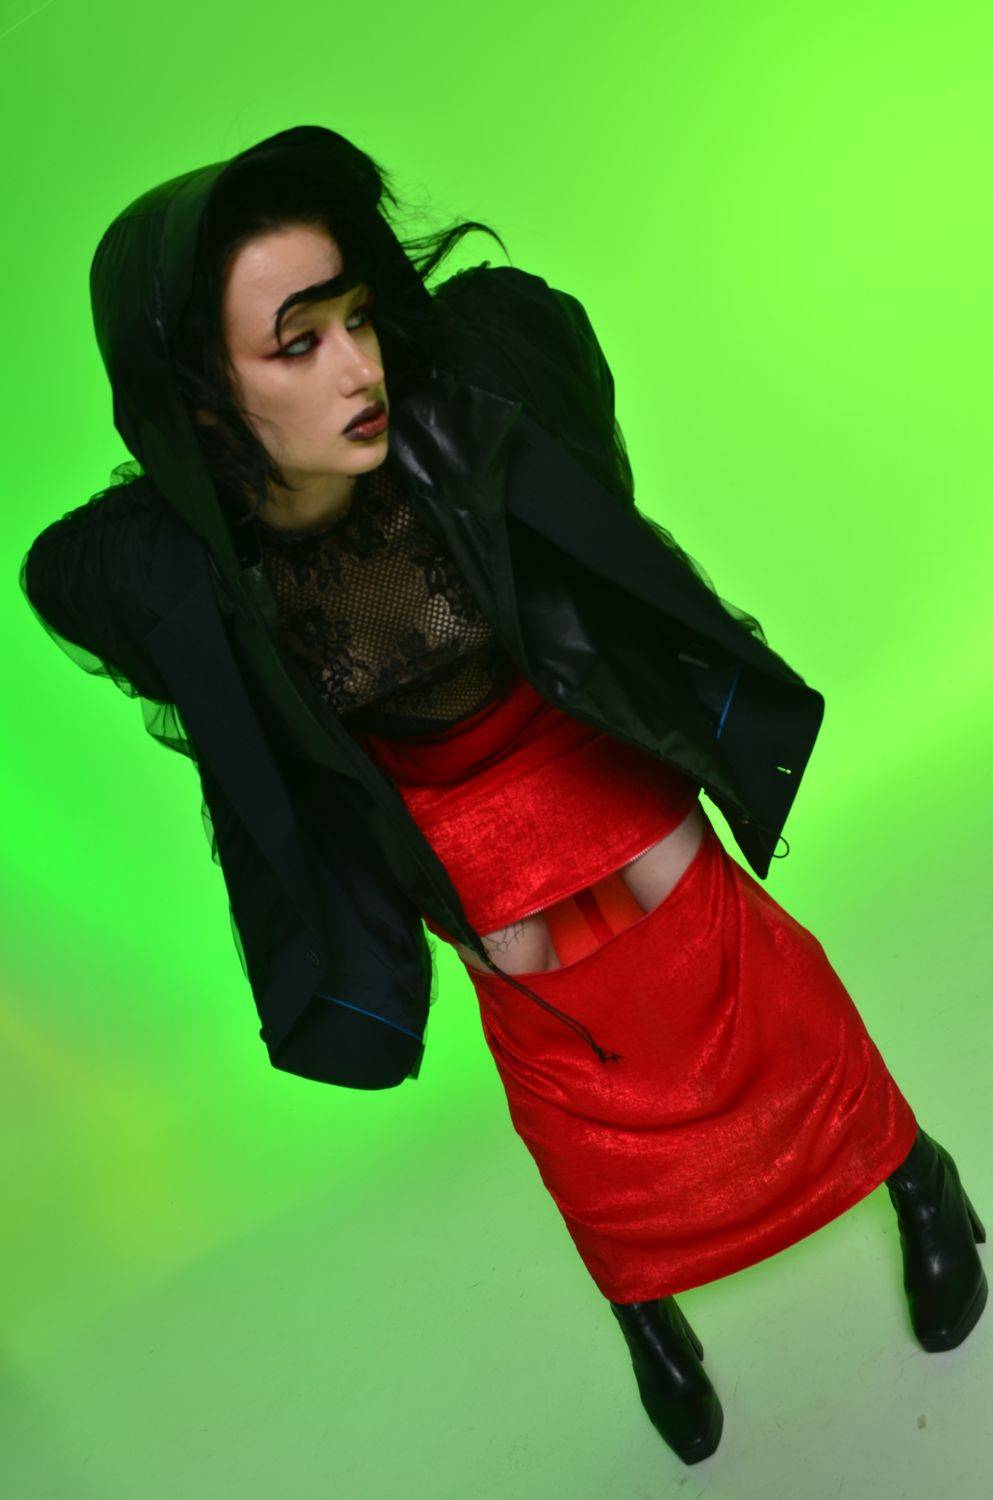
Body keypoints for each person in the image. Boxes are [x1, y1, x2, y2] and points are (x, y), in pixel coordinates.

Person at [19, 125, 987, 1468]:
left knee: (715, 946)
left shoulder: (466, 405)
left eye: (356, 317)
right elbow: (73, 574)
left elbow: (549, 375)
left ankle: (912, 1172)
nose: (357, 367)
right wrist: (215, 492)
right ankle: (645, 1307)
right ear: (201, 401)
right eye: (296, 345)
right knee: (547, 1018)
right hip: (434, 807)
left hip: (570, 733)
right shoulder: (182, 573)